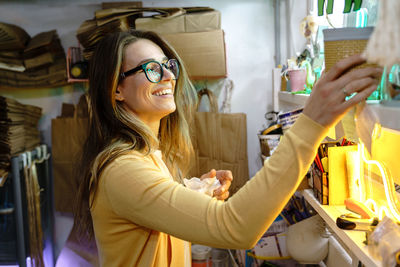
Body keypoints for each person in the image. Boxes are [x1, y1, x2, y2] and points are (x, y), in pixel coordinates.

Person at [74, 30, 381, 266]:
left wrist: (196, 192)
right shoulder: (123, 168)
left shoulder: (144, 153)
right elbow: (236, 227)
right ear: (116, 88)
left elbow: (149, 213)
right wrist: (312, 122)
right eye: (151, 69)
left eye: (168, 66)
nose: (169, 76)